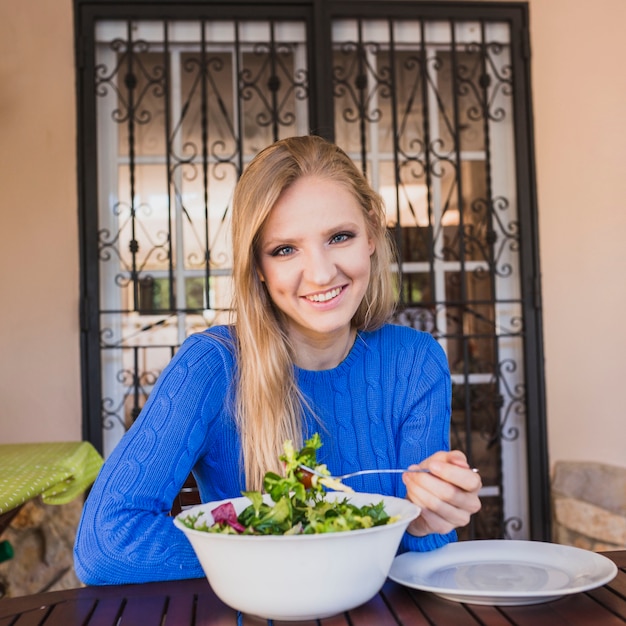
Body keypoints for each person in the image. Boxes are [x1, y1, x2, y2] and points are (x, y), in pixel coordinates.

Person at [74, 135, 482, 585]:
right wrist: (294, 551)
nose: (322, 273)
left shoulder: (415, 362)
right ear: (258, 268)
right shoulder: (211, 367)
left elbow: (423, 556)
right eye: (285, 249)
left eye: (339, 237)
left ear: (371, 234)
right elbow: (105, 545)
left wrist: (429, 520)